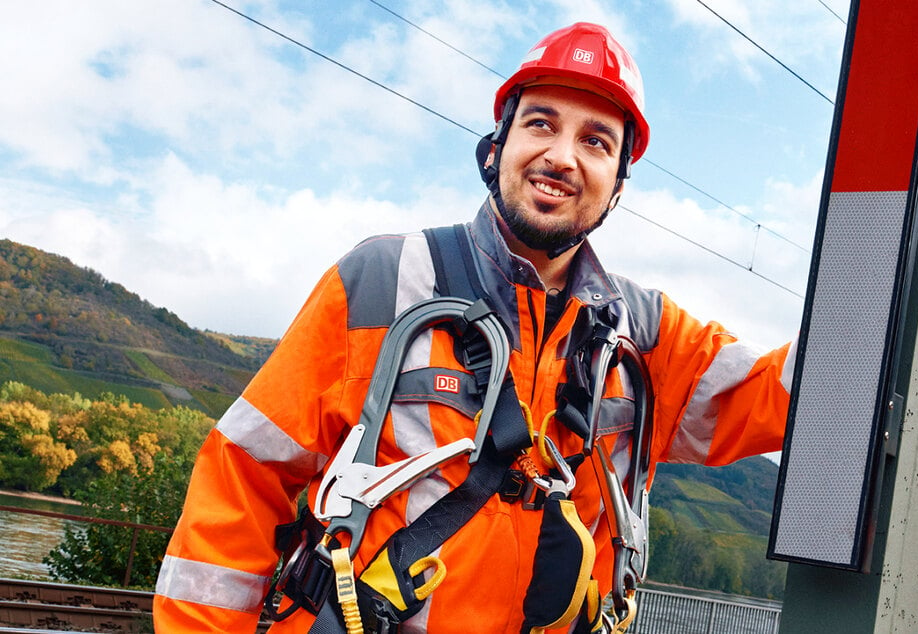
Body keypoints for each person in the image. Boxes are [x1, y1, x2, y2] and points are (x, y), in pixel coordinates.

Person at [153, 22, 792, 633]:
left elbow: (789, 398)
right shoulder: (384, 281)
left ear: (618, 183)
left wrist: (875, 259)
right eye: (541, 123)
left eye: (596, 141)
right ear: (498, 145)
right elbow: (244, 476)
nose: (562, 157)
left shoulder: (647, 339)